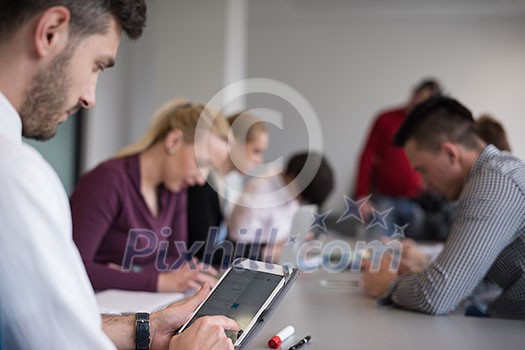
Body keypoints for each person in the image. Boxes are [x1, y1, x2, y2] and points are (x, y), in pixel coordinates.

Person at [0, 1, 239, 349]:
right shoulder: (18, 177)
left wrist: (148, 327)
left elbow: (49, 320)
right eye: (97, 66)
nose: (90, 98)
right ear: (50, 31)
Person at [362, 96, 525, 320]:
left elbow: (438, 295)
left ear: (450, 154)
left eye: (422, 170)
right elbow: (479, 282)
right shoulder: (492, 174)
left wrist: (388, 285)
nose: (422, 184)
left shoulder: (494, 182)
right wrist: (424, 267)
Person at [70, 100, 230, 292]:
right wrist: (159, 281)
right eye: (201, 163)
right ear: (173, 141)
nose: (202, 180)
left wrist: (128, 272)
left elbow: (174, 261)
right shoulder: (107, 180)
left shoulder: (175, 189)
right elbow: (73, 269)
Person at [353, 79, 442, 236]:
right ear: (414, 93)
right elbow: (367, 156)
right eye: (421, 99)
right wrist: (361, 195)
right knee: (377, 250)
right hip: (384, 201)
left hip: (418, 204)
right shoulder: (385, 119)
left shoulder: (431, 128)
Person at [187, 111, 269, 266]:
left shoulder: (220, 184)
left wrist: (264, 247)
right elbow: (203, 251)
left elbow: (221, 242)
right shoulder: (200, 183)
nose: (260, 160)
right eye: (256, 151)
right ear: (235, 144)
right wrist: (261, 253)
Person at [229, 152, 335, 261]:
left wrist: (297, 238)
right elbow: (238, 248)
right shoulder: (258, 195)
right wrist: (277, 250)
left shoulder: (288, 191)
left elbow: (281, 230)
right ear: (293, 178)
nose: (299, 200)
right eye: (302, 196)